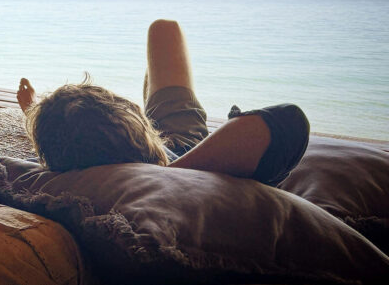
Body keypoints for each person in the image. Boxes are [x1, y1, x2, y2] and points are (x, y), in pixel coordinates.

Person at [16, 19, 310, 186]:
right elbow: (289, 120)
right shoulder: (200, 172)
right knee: (165, 31)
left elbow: (59, 148)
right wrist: (166, 173)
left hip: (149, 148)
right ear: (139, 123)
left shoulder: (61, 164)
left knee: (163, 30)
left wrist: (35, 112)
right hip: (182, 147)